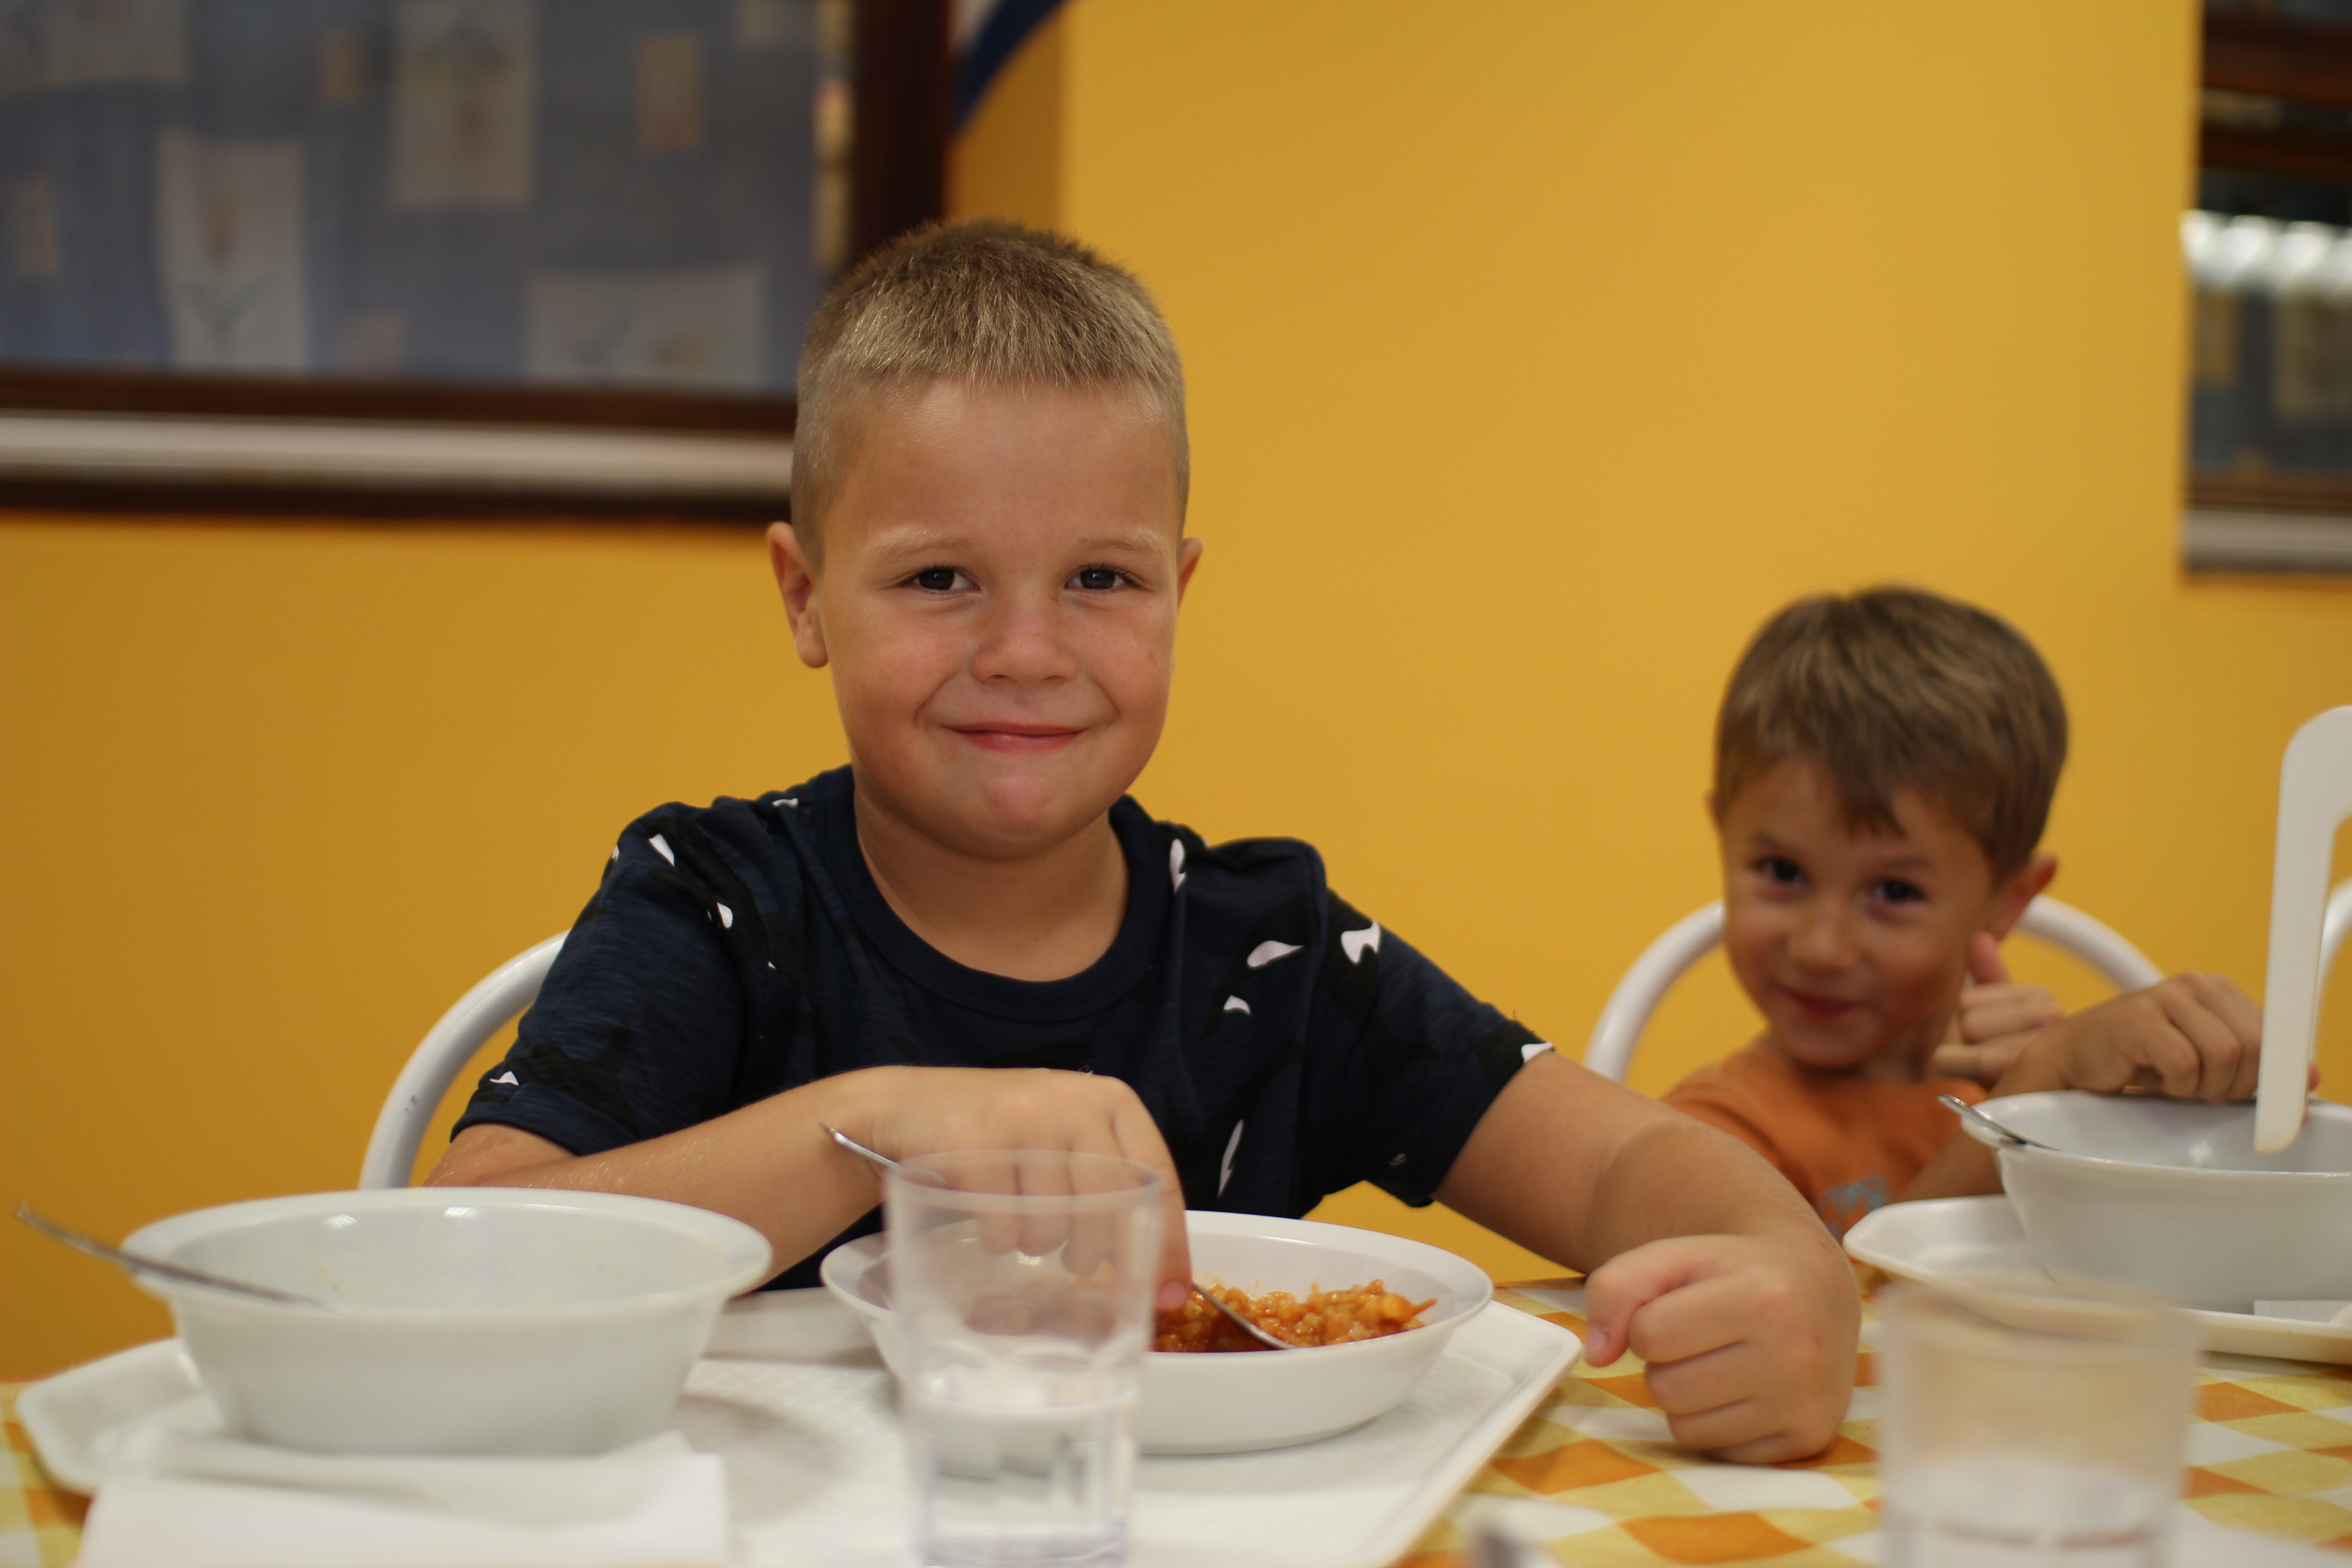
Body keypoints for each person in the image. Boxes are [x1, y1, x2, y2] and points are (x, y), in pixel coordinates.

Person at [428, 219, 1857, 1461]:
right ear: (806, 597)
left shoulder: (1272, 956)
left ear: (1180, 592)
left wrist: (1792, 1271)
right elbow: (467, 1255)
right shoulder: (718, 907)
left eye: (1101, 579)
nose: (1028, 651)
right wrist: (876, 1128)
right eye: (941, 577)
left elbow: (1620, 1167)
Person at [1664, 587, 2265, 1236]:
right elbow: (1822, 1296)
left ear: (2008, 900)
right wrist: (2032, 1092)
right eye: (1783, 872)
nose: (1821, 947)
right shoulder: (1706, 1137)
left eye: (1894, 891)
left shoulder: (2029, 1094)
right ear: (1724, 838)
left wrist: (2100, 1116)